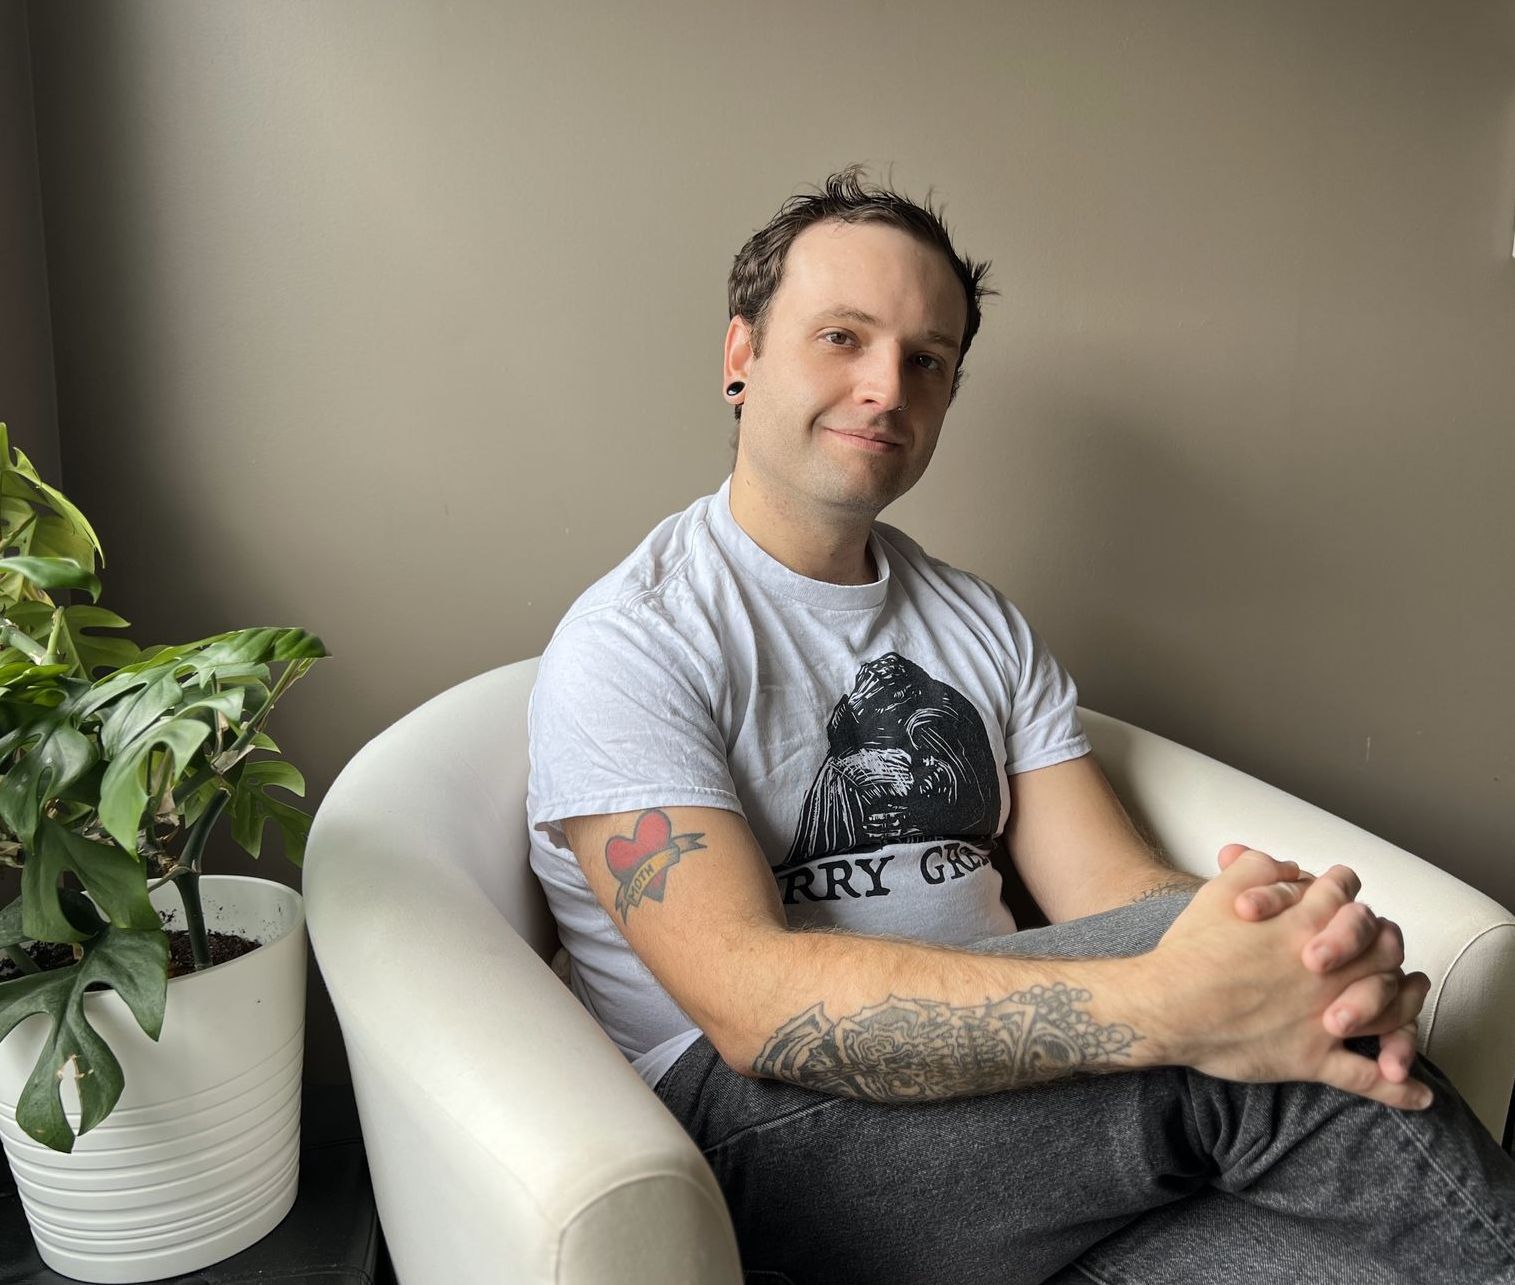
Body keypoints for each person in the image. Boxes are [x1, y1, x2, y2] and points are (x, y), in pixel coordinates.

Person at [526, 166, 1515, 1284]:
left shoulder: (976, 621)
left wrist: (1281, 940)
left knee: (1320, 1180)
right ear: (740, 358)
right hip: (764, 1142)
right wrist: (1170, 1004)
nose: (884, 387)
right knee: (1248, 1056)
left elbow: (1111, 889)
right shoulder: (633, 642)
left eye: (927, 360)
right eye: (842, 337)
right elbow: (750, 1005)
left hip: (1028, 1130)